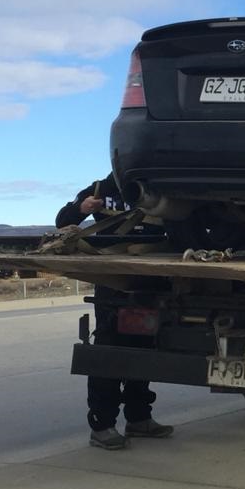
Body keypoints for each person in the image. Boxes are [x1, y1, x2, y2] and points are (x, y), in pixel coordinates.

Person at [57, 173, 173, 450]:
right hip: (114, 281)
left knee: (143, 350)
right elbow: (63, 221)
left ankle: (139, 418)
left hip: (149, 278)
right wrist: (81, 209)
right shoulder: (101, 188)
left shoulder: (160, 186)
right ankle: (102, 425)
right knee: (109, 351)